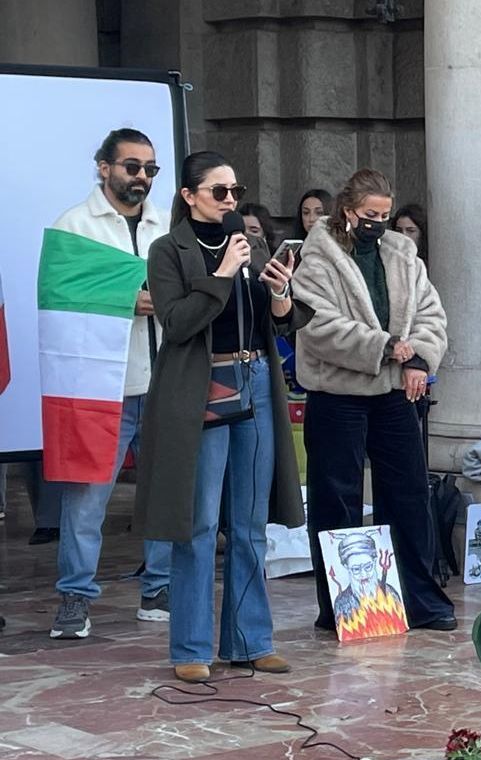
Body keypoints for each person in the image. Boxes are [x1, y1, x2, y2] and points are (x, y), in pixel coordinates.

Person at [137, 150, 309, 683]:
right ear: (189, 197)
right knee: (199, 522)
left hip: (255, 379)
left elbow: (281, 324)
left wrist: (279, 294)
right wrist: (221, 273)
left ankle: (251, 639)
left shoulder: (250, 246)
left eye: (235, 191)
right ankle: (190, 646)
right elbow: (178, 322)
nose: (231, 201)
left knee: (250, 522)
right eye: (219, 192)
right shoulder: (169, 250)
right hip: (200, 387)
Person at [293, 168, 456, 631]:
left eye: (385, 215)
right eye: (371, 215)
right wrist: (383, 345)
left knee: (407, 495)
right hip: (337, 393)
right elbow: (316, 325)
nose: (379, 223)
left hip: (393, 393)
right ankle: (343, 607)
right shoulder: (318, 259)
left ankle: (418, 598)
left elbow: (431, 313)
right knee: (336, 499)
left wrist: (420, 359)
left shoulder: (403, 255)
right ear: (348, 212)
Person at [45, 128, 173, 639]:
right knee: (86, 500)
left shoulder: (168, 224)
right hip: (103, 389)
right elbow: (59, 297)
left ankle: (159, 586)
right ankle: (75, 596)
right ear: (104, 167)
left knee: (165, 492)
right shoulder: (74, 226)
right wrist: (125, 298)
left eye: (150, 169)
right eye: (131, 166)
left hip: (164, 380)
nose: (141, 177)